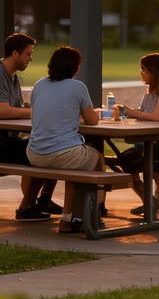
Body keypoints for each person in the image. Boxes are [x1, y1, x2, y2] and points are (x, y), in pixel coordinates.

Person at [0, 32, 58, 221]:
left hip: (5, 140)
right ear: (15, 54)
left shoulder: (12, 76)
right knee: (44, 150)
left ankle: (43, 200)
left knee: (54, 145)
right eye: (28, 54)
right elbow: (2, 111)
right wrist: (36, 112)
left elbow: (17, 109)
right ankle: (26, 208)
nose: (31, 59)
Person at [28, 45, 104, 234]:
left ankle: (73, 216)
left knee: (77, 163)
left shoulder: (39, 84)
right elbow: (92, 120)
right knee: (97, 158)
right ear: (75, 67)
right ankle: (92, 214)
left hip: (34, 153)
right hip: (62, 154)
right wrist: (97, 113)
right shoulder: (77, 87)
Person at [118, 53, 159, 218]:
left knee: (145, 161)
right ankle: (148, 201)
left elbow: (155, 116)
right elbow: (141, 113)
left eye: (144, 70)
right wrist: (125, 113)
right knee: (124, 159)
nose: (141, 73)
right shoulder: (148, 94)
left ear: (155, 73)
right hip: (146, 141)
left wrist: (132, 112)